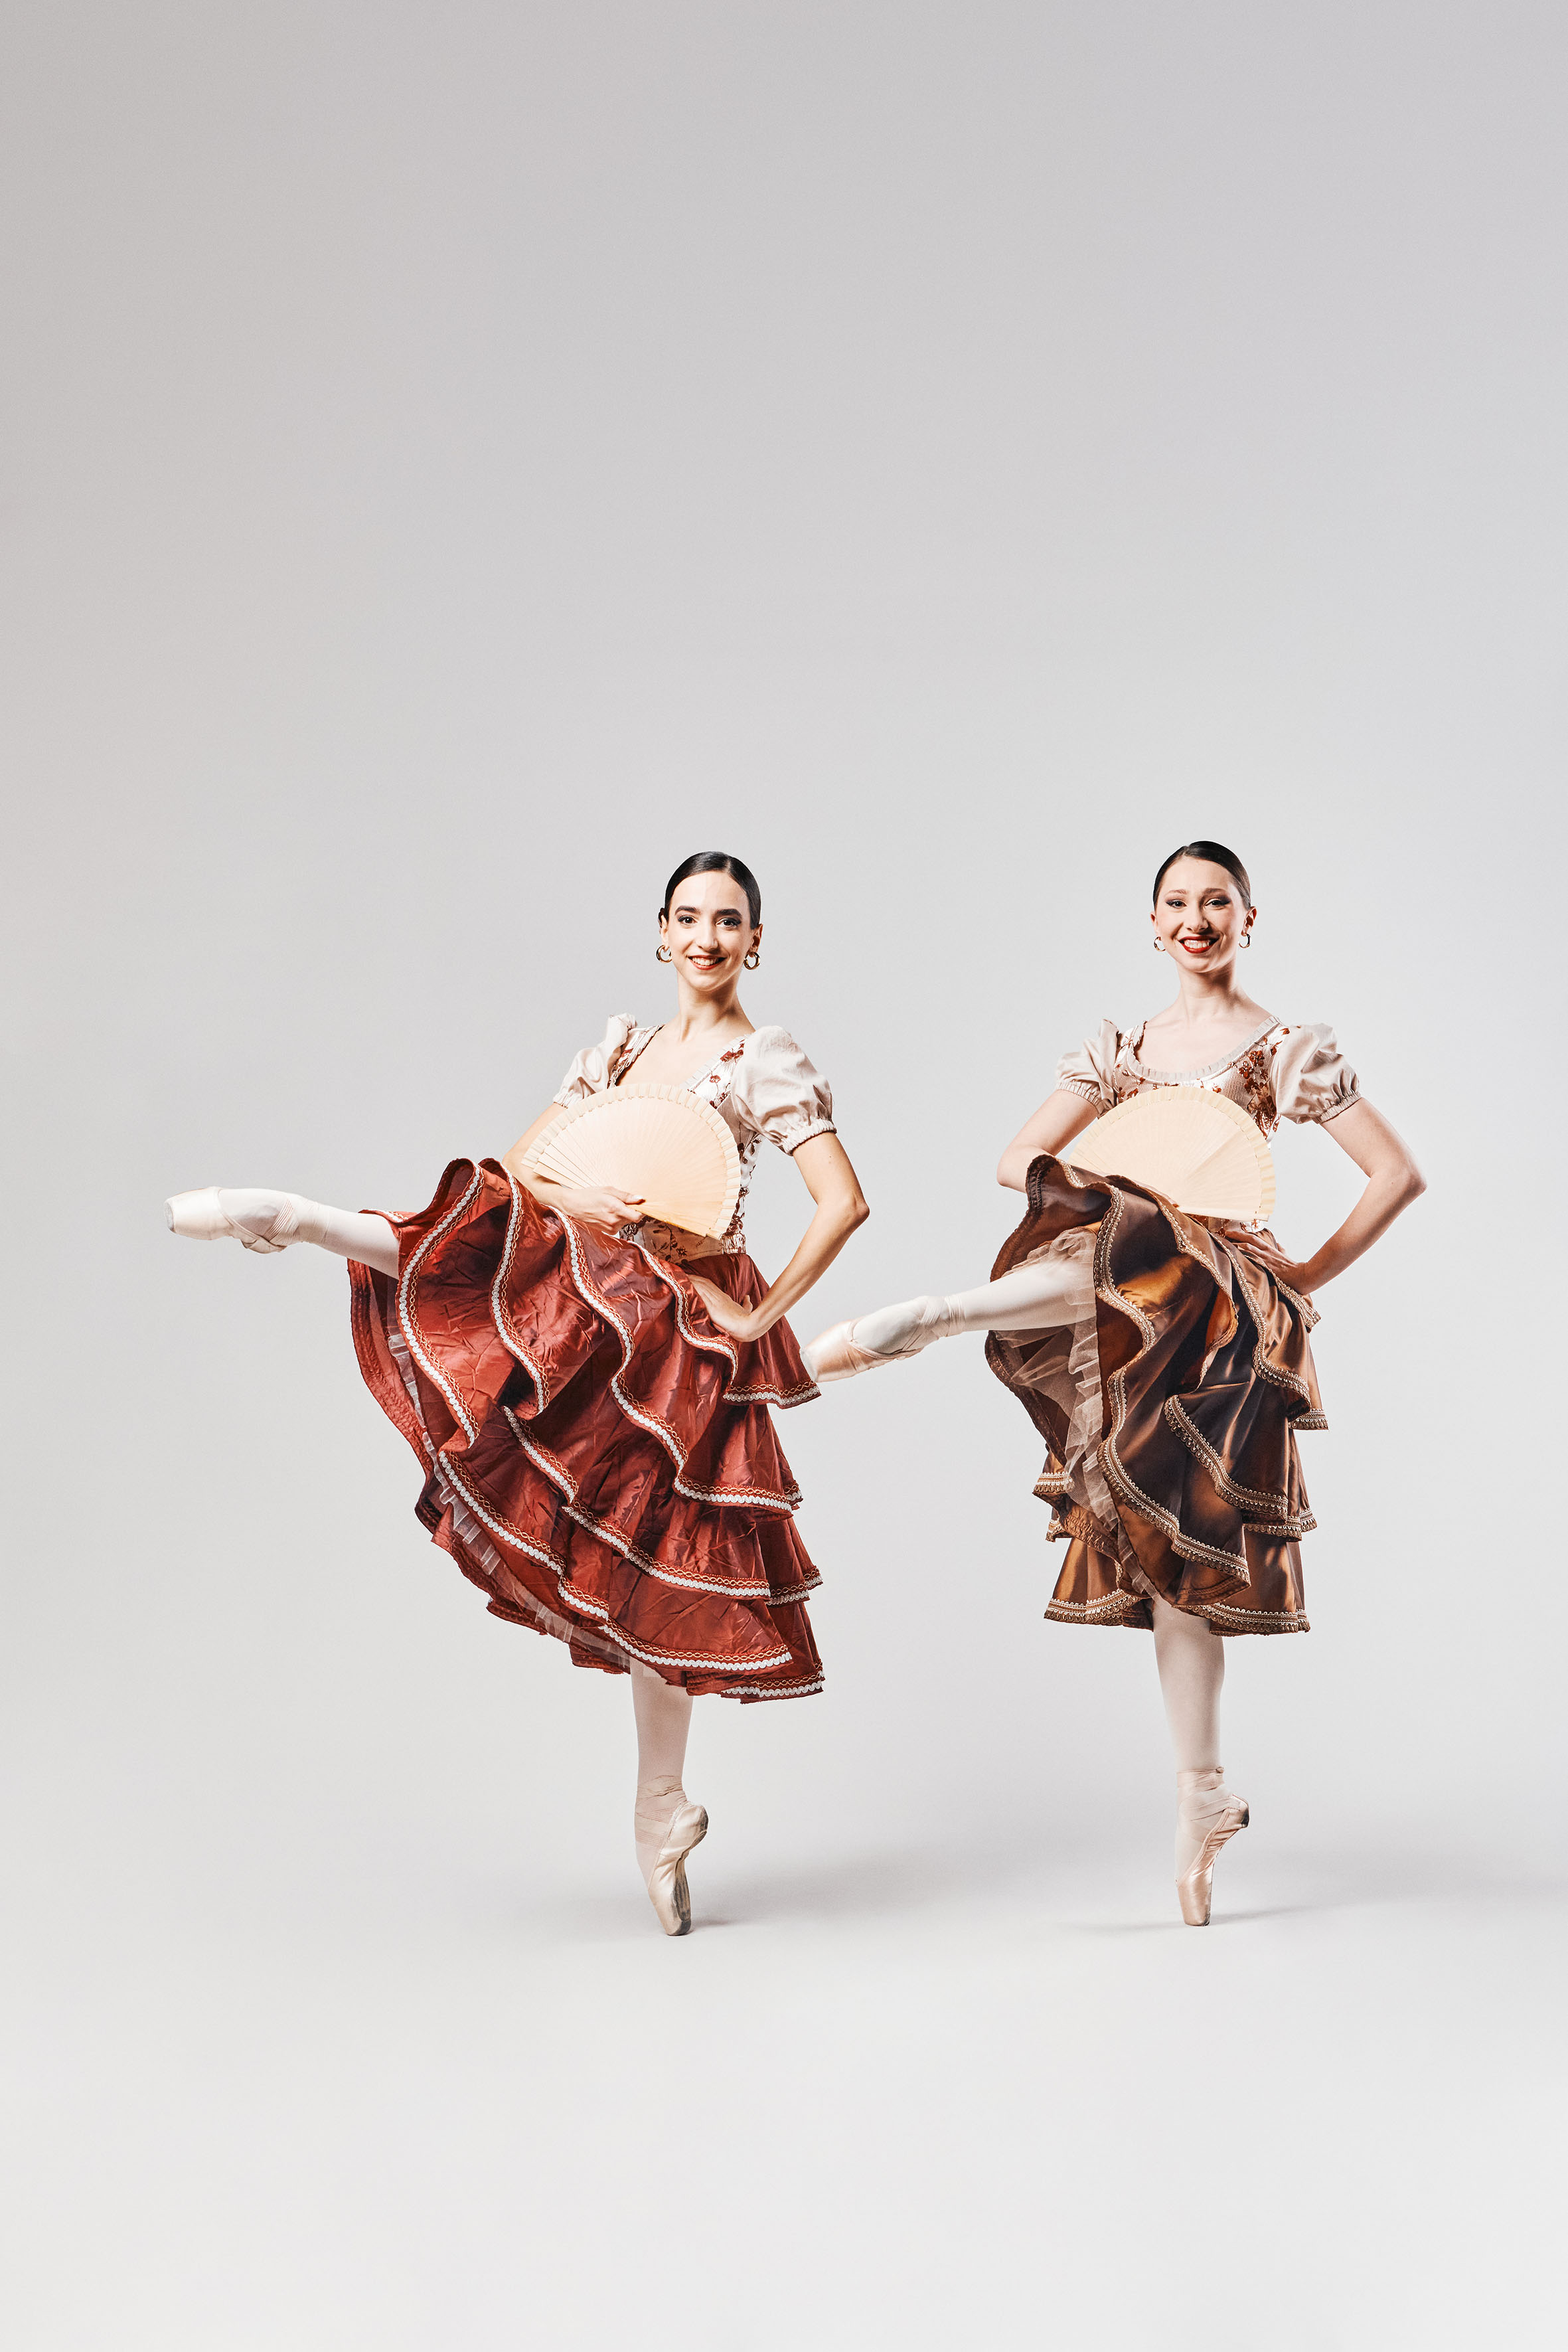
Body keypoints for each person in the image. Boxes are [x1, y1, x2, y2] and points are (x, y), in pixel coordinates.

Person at [167, 851, 868, 1935]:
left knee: (662, 1559)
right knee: (487, 1231)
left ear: (755, 941)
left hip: (673, 1325)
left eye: (728, 922)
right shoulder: (622, 1047)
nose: (706, 938)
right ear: (660, 931)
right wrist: (589, 1193)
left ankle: (658, 1804)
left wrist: (754, 1314)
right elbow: (521, 1169)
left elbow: (842, 1201)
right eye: (688, 917)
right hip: (588, 1288)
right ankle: (304, 1217)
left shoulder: (759, 1057)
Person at [805, 841, 1423, 1926]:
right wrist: (1119, 1185)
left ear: (1247, 919)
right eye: (1176, 902)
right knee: (1163, 1541)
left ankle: (946, 1312)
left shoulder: (1280, 1049)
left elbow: (1394, 1173)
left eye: (1216, 902)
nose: (1196, 919)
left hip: (1212, 1306)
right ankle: (1203, 1790)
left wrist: (1303, 1274)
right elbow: (1018, 1160)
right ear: (1151, 922)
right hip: (1124, 1276)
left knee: (1181, 1537)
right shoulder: (1121, 1052)